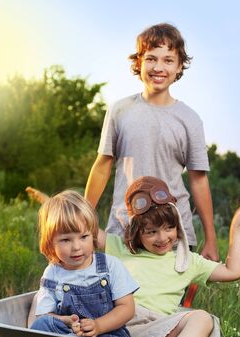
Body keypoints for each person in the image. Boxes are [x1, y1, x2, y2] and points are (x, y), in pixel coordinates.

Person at [84, 22, 219, 261]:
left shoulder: (190, 119)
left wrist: (211, 239)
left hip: (173, 233)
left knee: (166, 299)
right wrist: (82, 214)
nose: (159, 67)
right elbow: (102, 166)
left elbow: (199, 180)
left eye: (168, 60)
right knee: (124, 299)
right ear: (139, 63)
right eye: (151, 59)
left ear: (179, 67)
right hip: (125, 230)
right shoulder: (120, 110)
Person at [75, 176, 240, 337]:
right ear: (137, 233)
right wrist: (69, 208)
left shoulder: (187, 260)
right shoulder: (121, 248)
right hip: (117, 321)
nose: (162, 238)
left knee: (204, 319)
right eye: (152, 232)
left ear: (177, 226)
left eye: (169, 228)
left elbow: (233, 271)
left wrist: (236, 230)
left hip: (157, 329)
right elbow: (84, 227)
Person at [29, 189, 142, 337]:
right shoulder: (53, 273)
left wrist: (99, 325)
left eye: (83, 237)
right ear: (50, 243)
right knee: (41, 324)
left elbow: (127, 308)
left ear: (93, 235)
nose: (76, 247)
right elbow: (45, 315)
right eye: (66, 240)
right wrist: (68, 321)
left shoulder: (110, 265)